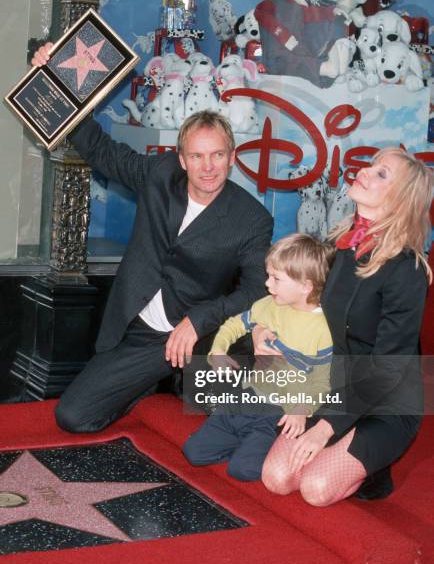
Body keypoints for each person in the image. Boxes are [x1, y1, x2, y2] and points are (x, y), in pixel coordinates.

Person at [31, 44, 273, 434]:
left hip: (197, 332)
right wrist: (53, 77)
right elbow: (99, 148)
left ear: (232, 156)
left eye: (217, 156)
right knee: (73, 417)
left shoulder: (253, 219)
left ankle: (184, 381)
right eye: (196, 156)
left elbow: (256, 291)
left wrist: (199, 319)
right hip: (140, 331)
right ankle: (153, 382)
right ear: (181, 159)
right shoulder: (160, 174)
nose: (207, 167)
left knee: (239, 411)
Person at [256, 148, 433, 504]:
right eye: (371, 166)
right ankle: (343, 454)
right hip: (335, 386)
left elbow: (387, 370)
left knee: (316, 489)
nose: (365, 172)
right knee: (276, 478)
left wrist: (325, 429)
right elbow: (296, 297)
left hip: (387, 401)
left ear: (401, 199)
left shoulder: (407, 270)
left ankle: (373, 471)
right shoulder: (341, 245)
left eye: (382, 174)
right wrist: (261, 328)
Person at [183, 233, 334, 481]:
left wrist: (301, 408)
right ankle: (244, 444)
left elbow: (322, 382)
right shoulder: (269, 304)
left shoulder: (322, 330)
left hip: (277, 411)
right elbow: (234, 325)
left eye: (276, 279)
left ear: (305, 286)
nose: (268, 284)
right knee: (194, 452)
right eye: (268, 276)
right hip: (245, 397)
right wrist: (218, 350)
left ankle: (263, 450)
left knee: (242, 470)